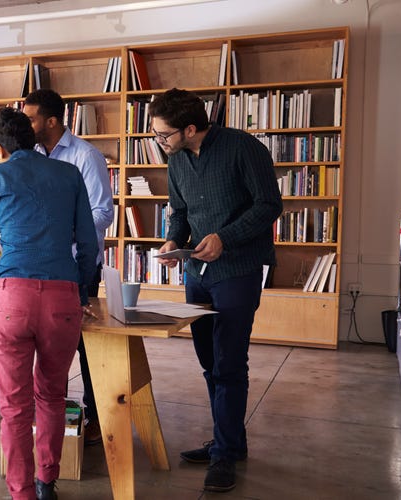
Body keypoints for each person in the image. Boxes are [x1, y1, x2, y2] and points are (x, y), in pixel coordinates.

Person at [150, 88, 282, 492]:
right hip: (197, 271)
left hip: (238, 269)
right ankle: (230, 441)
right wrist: (174, 241)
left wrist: (225, 237)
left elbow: (269, 205)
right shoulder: (176, 160)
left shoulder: (244, 148)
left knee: (228, 363)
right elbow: (181, 211)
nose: (160, 143)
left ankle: (224, 455)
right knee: (209, 360)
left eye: (164, 135)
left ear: (190, 128)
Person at [0, 107, 98, 500]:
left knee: (13, 405)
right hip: (63, 296)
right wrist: (83, 292)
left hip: (13, 295)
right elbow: (90, 243)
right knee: (52, 395)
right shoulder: (69, 173)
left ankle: (21, 492)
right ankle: (47, 481)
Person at [21, 89, 114, 444]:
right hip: (40, 268)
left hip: (77, 266)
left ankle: (96, 417)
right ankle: (47, 418)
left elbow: (102, 213)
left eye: (31, 118)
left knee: (86, 347)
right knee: (44, 346)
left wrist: (56, 226)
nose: (25, 125)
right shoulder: (28, 157)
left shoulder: (85, 156)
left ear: (52, 121)